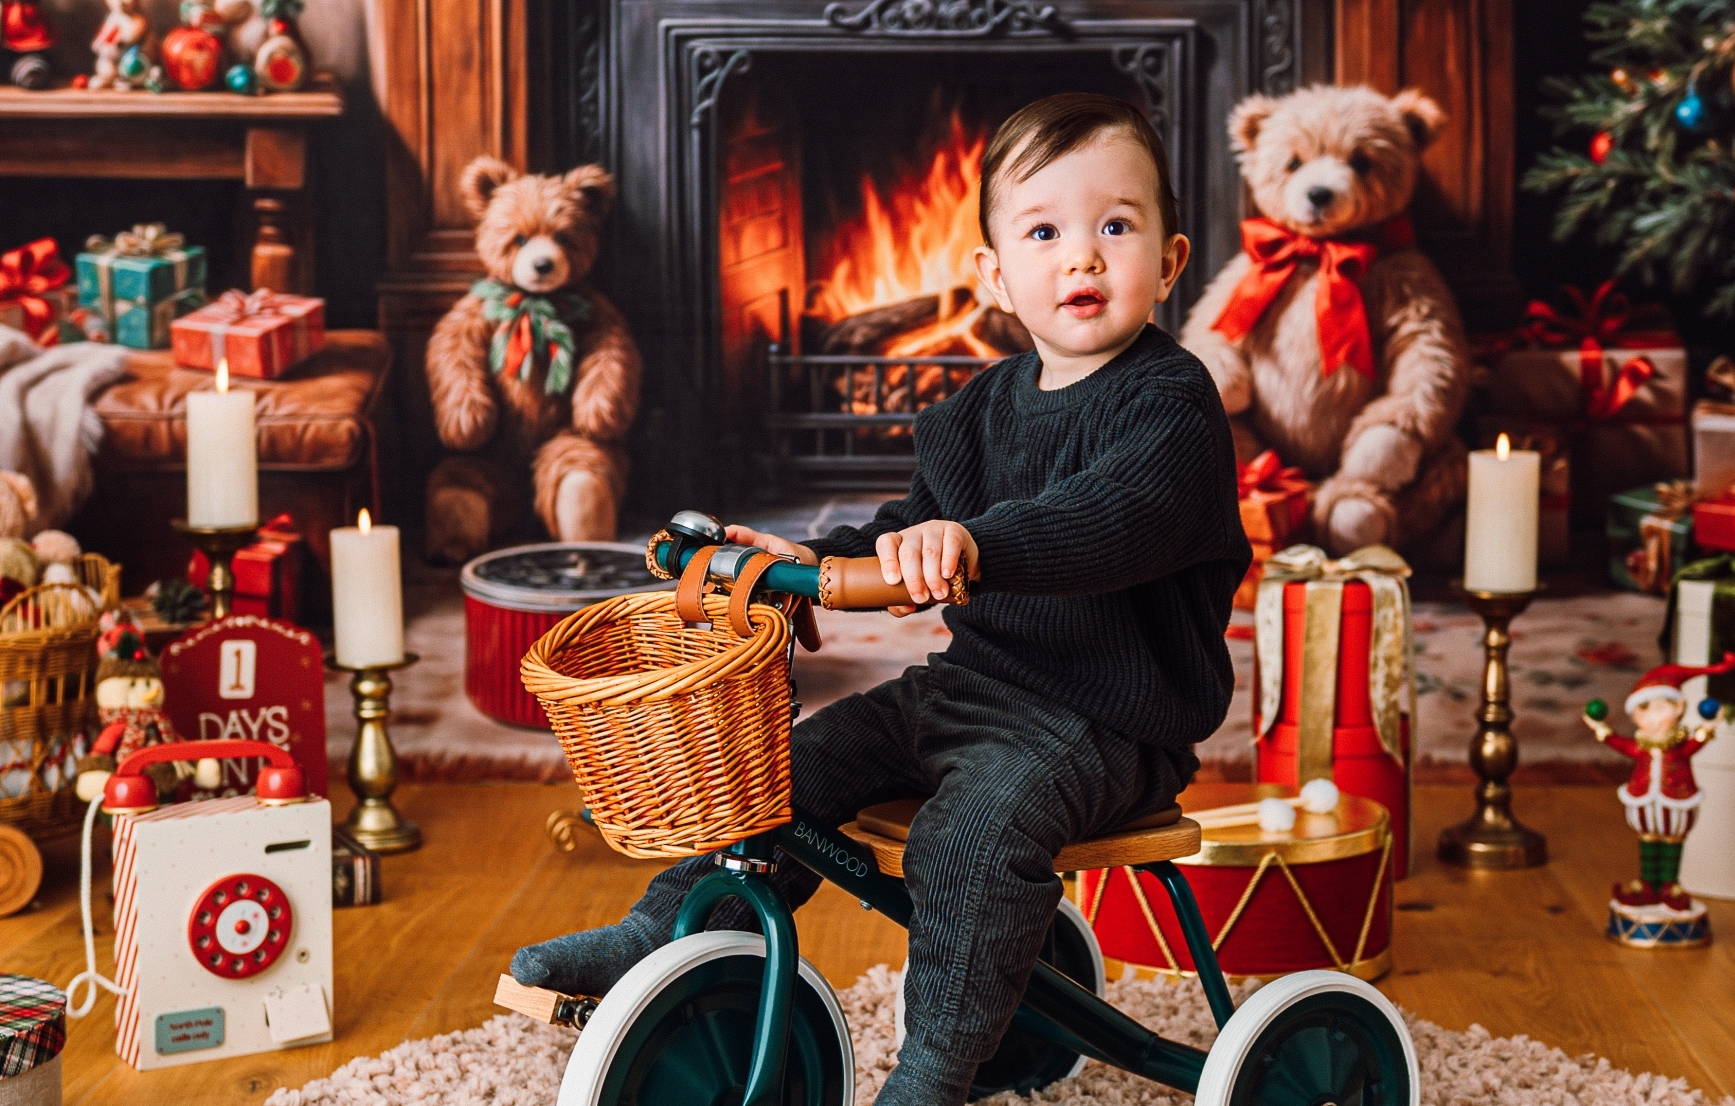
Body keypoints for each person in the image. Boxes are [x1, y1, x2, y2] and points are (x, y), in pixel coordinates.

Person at [512, 92, 1249, 1106]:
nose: (1081, 258)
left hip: (1105, 722)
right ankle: (658, 935)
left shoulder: (1172, 405)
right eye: (1044, 232)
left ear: (1167, 262)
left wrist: (972, 544)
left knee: (970, 836)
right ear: (993, 275)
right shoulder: (978, 408)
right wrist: (801, 558)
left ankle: (936, 1073)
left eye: (1114, 227)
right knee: (784, 767)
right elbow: (905, 537)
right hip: (972, 688)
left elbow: (1107, 520)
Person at [1582, 653, 1735, 912]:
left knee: (1672, 839)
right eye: (1644, 711)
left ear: (1679, 708)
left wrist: (1710, 724)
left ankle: (1669, 884)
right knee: (1648, 836)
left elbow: (1695, 743)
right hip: (1643, 798)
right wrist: (1599, 727)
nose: (1652, 719)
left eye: (1660, 709)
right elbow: (1621, 744)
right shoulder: (1641, 746)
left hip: (1676, 798)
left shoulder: (1678, 748)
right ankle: (1647, 883)